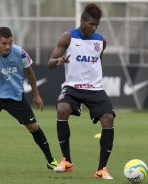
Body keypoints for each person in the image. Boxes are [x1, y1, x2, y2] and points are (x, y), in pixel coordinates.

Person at [0, 26, 58, 174]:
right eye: (4, 43)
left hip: (15, 96)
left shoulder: (20, 53)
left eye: (10, 43)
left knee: (33, 127)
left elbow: (30, 74)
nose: (8, 47)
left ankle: (51, 161)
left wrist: (36, 95)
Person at [47, 4, 116, 180]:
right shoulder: (68, 37)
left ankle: (101, 170)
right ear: (82, 21)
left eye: (96, 25)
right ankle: (66, 161)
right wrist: (59, 60)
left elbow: (97, 62)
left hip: (95, 88)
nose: (93, 28)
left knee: (108, 118)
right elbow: (50, 63)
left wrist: (95, 80)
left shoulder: (101, 41)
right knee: (62, 109)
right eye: (91, 24)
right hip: (72, 87)